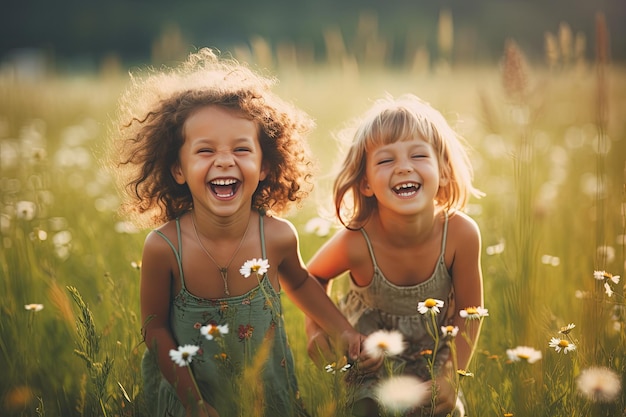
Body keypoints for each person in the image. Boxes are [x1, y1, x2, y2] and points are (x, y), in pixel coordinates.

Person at [109, 48, 364, 417]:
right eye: (205, 150)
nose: (225, 160)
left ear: (264, 166)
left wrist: (344, 331)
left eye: (241, 149)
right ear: (178, 170)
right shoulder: (164, 247)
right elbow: (155, 331)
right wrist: (193, 403)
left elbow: (303, 284)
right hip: (191, 397)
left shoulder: (276, 237)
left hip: (265, 397)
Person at [304, 94, 485, 417]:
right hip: (369, 367)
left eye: (418, 155)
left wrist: (449, 379)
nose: (403, 167)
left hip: (432, 365)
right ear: (366, 184)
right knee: (361, 410)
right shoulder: (358, 241)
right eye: (386, 161)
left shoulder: (461, 235)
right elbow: (311, 278)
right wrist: (320, 331)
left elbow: (471, 312)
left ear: (443, 172)